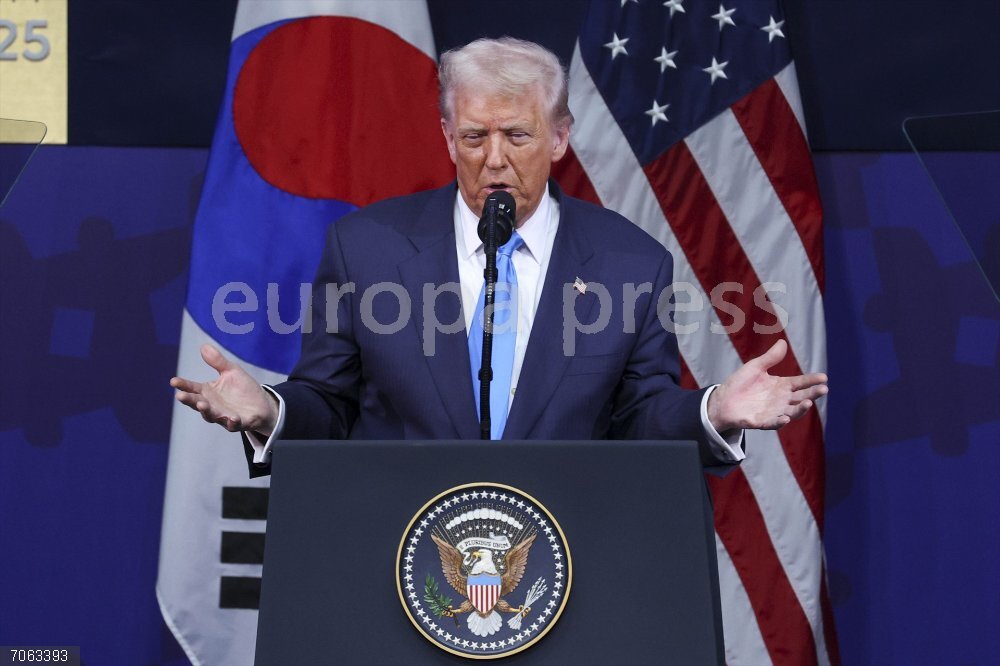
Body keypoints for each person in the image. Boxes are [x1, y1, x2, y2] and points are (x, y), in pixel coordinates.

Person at [170, 37, 827, 477]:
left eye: (517, 135)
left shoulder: (632, 263)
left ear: (560, 137)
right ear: (447, 137)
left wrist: (713, 411)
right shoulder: (365, 248)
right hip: (398, 550)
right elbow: (329, 403)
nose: (494, 158)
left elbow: (638, 418)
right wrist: (268, 412)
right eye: (475, 136)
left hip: (568, 559)